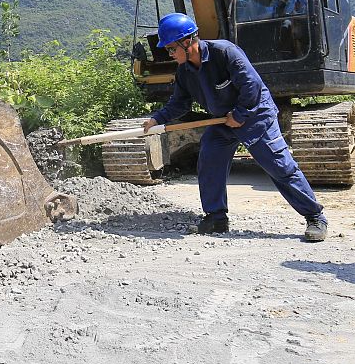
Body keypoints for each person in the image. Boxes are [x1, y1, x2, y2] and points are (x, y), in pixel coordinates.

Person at [141, 12, 329, 241]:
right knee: (209, 157)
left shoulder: (225, 53)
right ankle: (216, 218)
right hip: (223, 121)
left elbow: (252, 86)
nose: (170, 54)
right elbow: (179, 103)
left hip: (255, 115)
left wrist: (240, 115)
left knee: (279, 166)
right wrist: (156, 119)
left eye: (171, 48)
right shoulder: (185, 72)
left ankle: (315, 217)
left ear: (188, 41)